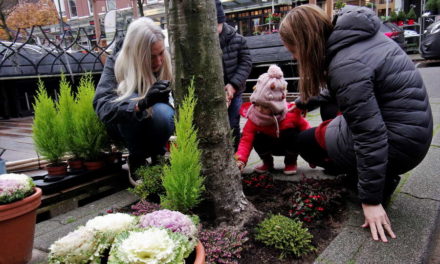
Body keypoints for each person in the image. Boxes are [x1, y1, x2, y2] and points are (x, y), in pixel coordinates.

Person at [279, 5, 433, 243]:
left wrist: (371, 200)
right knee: (331, 117)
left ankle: (375, 179)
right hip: (413, 132)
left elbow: (369, 135)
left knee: (305, 141)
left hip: (399, 146)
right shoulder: (355, 39)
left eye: (293, 51)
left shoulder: (345, 65)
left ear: (305, 43)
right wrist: (302, 103)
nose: (293, 57)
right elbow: (346, 88)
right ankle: (367, 171)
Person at [93, 17, 174, 186]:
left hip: (157, 122)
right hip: (124, 128)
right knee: (127, 98)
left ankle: (158, 155)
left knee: (165, 113)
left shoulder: (166, 61)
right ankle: (136, 158)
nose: (159, 62)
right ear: (138, 54)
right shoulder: (117, 63)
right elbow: (102, 107)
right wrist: (141, 104)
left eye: (161, 54)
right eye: (152, 57)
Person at [235, 65, 310, 174]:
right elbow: (246, 140)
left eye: (265, 107)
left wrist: (312, 156)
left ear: (276, 106)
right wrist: (240, 160)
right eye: (257, 104)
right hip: (268, 145)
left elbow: (307, 131)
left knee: (293, 134)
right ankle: (267, 162)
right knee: (255, 137)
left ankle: (290, 162)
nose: (259, 110)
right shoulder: (254, 118)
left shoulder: (291, 114)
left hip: (287, 145)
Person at [216, 0, 253, 150]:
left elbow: (246, 64)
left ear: (222, 21)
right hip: (215, 92)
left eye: (215, 25)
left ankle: (235, 154)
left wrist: (233, 85)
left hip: (235, 91)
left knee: (233, 123)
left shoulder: (238, 40)